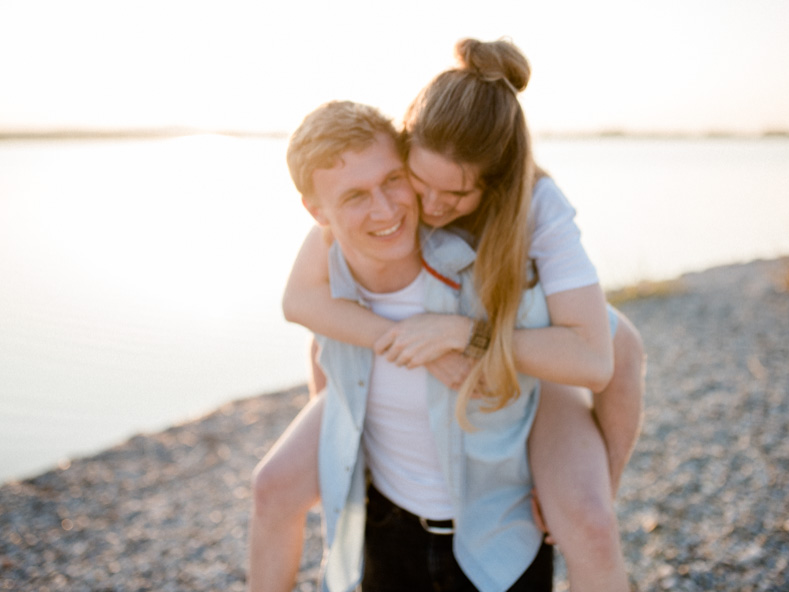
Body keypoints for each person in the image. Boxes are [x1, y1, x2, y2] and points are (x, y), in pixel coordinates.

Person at [252, 38, 645, 591]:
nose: (428, 206)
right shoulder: (365, 205)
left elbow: (607, 349)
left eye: (456, 194)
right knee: (275, 479)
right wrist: (399, 343)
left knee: (589, 520)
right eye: (418, 181)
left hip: (525, 363)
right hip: (410, 419)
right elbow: (307, 306)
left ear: (494, 181)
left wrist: (465, 335)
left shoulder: (535, 209)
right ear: (407, 146)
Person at [253, 99, 553, 592]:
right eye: (355, 196)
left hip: (495, 548)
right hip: (389, 537)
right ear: (316, 211)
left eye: (393, 180)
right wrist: (405, 344)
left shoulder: (480, 266)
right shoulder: (334, 282)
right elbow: (317, 340)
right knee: (270, 486)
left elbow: (592, 349)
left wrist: (571, 480)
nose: (386, 209)